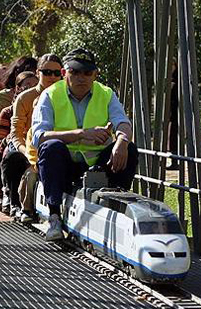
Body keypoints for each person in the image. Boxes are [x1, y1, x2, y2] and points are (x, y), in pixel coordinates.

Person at [31, 48, 138, 241]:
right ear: (64, 73)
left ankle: (116, 206)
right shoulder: (50, 95)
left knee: (129, 149)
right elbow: (39, 137)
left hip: (98, 163)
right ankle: (54, 216)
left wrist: (121, 141)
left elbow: (122, 122)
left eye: (87, 73)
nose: (82, 78)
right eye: (75, 72)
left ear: (95, 74)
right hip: (65, 165)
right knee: (50, 147)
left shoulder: (106, 94)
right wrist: (81, 135)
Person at [8, 53, 63, 220]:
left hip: (58, 147)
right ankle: (18, 204)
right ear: (38, 72)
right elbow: (16, 133)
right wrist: (28, 153)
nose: (52, 77)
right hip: (29, 148)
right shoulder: (25, 98)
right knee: (13, 159)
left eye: (56, 73)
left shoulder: (67, 96)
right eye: (47, 72)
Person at [0, 71, 39, 213]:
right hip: (19, 149)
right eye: (27, 85)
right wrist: (12, 140)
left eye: (35, 85)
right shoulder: (7, 113)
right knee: (13, 156)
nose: (31, 88)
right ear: (18, 88)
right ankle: (12, 198)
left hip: (36, 149)